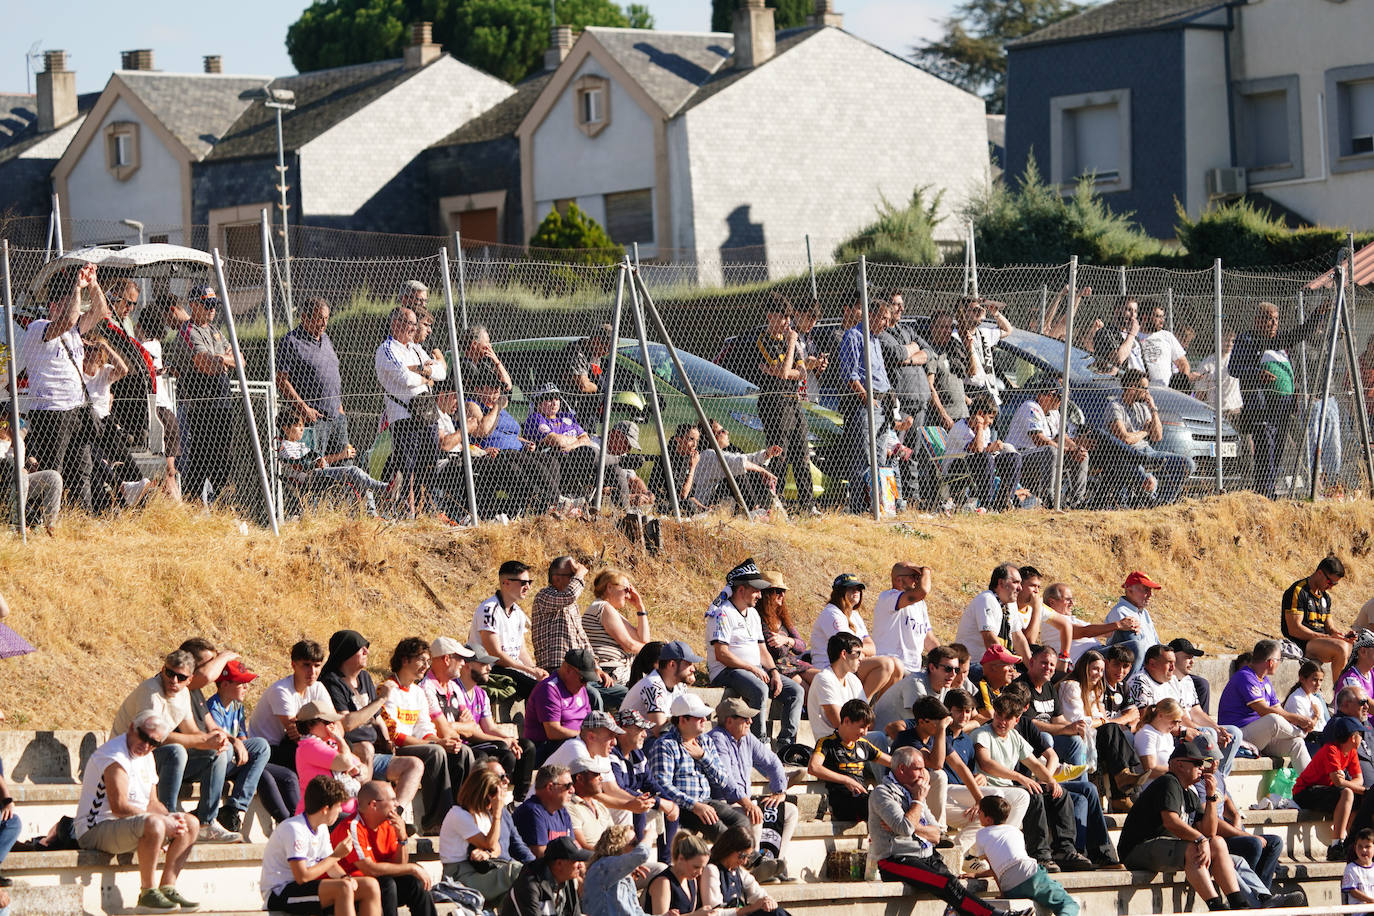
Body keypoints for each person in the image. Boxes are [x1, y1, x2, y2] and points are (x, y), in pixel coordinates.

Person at [868, 746, 1026, 916]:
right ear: (901, 769)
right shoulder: (883, 793)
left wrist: (914, 824)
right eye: (919, 769)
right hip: (896, 861)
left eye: (924, 769)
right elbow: (905, 828)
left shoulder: (914, 791)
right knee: (946, 883)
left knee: (953, 883)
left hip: (926, 855)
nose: (923, 774)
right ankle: (996, 915)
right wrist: (918, 801)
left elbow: (936, 834)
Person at [75, 711, 202, 913]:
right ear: (133, 727)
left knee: (190, 823)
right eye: (144, 737)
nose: (146, 746)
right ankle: (148, 894)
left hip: (128, 825)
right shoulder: (114, 756)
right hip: (95, 828)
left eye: (154, 743)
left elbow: (152, 802)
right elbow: (118, 806)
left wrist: (171, 817)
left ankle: (167, 887)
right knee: (154, 824)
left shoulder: (147, 756)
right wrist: (159, 821)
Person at [109, 649, 240, 843]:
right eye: (169, 673)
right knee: (175, 751)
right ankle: (168, 818)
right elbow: (154, 737)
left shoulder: (184, 693)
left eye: (181, 677)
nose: (174, 681)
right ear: (163, 670)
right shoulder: (151, 691)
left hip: (154, 756)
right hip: (131, 756)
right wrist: (203, 741)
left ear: (190, 679)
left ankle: (206, 822)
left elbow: (191, 729)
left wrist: (214, 741)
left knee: (217, 753)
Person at [1115, 745, 1251, 911]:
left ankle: (1238, 902)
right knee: (1194, 849)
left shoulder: (1190, 794)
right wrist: (1200, 839)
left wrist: (1211, 798)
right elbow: (1170, 821)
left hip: (1165, 848)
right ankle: (1216, 906)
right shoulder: (1168, 782)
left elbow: (1209, 832)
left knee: (1218, 842)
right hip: (1137, 849)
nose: (1202, 768)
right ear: (1179, 764)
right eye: (1197, 763)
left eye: (1203, 764)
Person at [20, 262, 109, 512]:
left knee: (83, 469)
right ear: (53, 306)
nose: (77, 310)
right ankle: (46, 520)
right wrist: (77, 288)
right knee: (53, 471)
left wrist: (92, 283)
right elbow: (69, 317)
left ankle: (82, 516)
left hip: (76, 409)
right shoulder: (38, 328)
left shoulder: (75, 331)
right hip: (51, 412)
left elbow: (101, 310)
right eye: (68, 302)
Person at [971, 692, 1089, 872]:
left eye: (1008, 718)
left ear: (1017, 720)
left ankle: (1064, 850)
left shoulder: (1015, 737)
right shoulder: (982, 733)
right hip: (993, 789)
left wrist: (1051, 781)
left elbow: (1034, 763)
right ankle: (1040, 855)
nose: (1001, 722)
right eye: (998, 716)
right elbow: (986, 763)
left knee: (1060, 794)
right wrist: (1019, 777)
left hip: (1011, 788)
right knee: (1033, 796)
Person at [318, 630, 424, 814]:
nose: (367, 652)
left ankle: (393, 814)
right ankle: (364, 815)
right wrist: (381, 700)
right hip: (349, 752)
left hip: (374, 753)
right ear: (347, 653)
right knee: (366, 748)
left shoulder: (365, 678)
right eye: (361, 649)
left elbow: (375, 717)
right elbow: (347, 723)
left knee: (414, 765)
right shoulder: (331, 682)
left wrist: (387, 739)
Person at [1232, 299, 1329, 499]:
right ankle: (1265, 494)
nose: (1274, 323)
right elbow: (1234, 368)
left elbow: (1298, 334)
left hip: (1283, 407)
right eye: (1269, 319)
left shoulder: (1278, 342)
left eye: (1276, 319)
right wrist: (1257, 373)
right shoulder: (1248, 340)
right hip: (1262, 407)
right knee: (1266, 450)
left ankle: (1269, 491)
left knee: (1277, 450)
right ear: (1258, 320)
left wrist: (1318, 315)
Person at [705, 559, 804, 748]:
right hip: (726, 671)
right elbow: (722, 654)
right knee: (760, 689)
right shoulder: (723, 613)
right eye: (756, 589)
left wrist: (774, 672)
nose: (760, 595)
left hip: (753, 670)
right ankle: (759, 743)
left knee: (796, 691)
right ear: (741, 590)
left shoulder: (753, 614)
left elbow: (762, 649)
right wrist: (751, 668)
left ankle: (786, 744)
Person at [380, 637, 471, 833]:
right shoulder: (387, 688)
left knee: (462, 752)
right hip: (397, 748)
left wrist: (440, 740)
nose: (426, 666)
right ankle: (437, 821)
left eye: (428, 661)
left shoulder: (417, 692)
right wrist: (437, 745)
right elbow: (393, 734)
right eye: (422, 660)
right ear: (405, 660)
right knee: (436, 753)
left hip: (419, 744)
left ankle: (463, 814)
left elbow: (424, 726)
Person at [703, 697, 797, 880]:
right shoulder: (716, 739)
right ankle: (754, 870)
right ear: (729, 721)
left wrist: (779, 792)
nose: (750, 721)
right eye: (745, 718)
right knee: (753, 815)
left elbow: (772, 761)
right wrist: (747, 803)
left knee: (790, 811)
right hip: (723, 805)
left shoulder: (747, 738)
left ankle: (776, 864)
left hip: (744, 801)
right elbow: (726, 781)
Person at [260, 774, 381, 916]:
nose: (341, 811)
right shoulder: (294, 829)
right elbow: (302, 876)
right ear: (325, 809)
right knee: (343, 888)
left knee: (370, 886)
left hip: (304, 887)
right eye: (337, 806)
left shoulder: (321, 827)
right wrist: (337, 855)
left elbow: (329, 864)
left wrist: (345, 876)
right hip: (279, 893)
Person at [430, 641, 535, 798]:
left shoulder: (481, 694)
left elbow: (488, 727)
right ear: (467, 665)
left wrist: (508, 738)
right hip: (466, 743)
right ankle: (490, 798)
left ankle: (519, 800)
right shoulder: (454, 688)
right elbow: (469, 732)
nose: (489, 668)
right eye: (483, 664)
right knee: (503, 751)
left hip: (478, 738)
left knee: (526, 746)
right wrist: (498, 739)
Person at [206, 658, 300, 829]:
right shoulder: (213, 707)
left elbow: (243, 737)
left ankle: (298, 821)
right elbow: (217, 738)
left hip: (240, 759)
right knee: (263, 775)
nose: (246, 688)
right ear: (225, 684)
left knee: (288, 776)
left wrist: (245, 751)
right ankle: (285, 823)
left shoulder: (237, 706)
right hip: (222, 762)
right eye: (241, 683)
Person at [168, 284, 239, 504]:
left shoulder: (215, 331)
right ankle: (193, 504)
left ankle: (221, 506)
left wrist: (220, 360)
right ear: (194, 305)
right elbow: (205, 364)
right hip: (201, 406)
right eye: (207, 304)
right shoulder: (188, 331)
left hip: (222, 403)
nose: (212, 309)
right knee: (201, 458)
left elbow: (239, 359)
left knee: (223, 457)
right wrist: (222, 360)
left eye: (214, 305)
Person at [648, 693, 751, 840]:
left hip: (706, 801)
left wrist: (703, 757)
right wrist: (695, 806)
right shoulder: (665, 745)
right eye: (699, 717)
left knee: (742, 822)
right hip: (683, 807)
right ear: (683, 720)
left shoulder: (705, 741)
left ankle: (747, 860)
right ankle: (753, 861)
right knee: (718, 828)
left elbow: (722, 780)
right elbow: (662, 786)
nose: (704, 720)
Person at [456, 373, 560, 517]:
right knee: (526, 466)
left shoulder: (501, 410)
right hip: (497, 455)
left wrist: (525, 442)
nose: (497, 390)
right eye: (491, 387)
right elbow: (483, 430)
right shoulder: (473, 405)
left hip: (518, 451)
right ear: (478, 389)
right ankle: (553, 502)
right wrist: (497, 407)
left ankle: (548, 505)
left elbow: (512, 434)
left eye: (498, 387)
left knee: (550, 461)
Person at [750, 293, 816, 514]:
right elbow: (788, 371)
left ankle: (808, 506)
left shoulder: (788, 341)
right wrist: (790, 348)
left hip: (793, 401)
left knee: (802, 453)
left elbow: (802, 372)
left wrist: (785, 371)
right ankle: (769, 502)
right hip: (774, 402)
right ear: (770, 316)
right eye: (783, 317)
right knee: (780, 453)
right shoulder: (762, 340)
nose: (788, 322)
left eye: (789, 317)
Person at [331, 780, 436, 916]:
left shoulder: (389, 823)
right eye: (392, 800)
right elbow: (369, 869)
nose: (396, 804)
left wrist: (402, 839)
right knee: (387, 884)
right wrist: (413, 868)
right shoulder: (352, 827)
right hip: (351, 886)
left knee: (415, 883)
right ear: (374, 804)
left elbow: (399, 866)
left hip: (379, 885)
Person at [532, 556, 623, 711]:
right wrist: (580, 574)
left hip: (582, 672)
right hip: (559, 670)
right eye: (571, 576)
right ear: (556, 578)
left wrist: (596, 667)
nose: (575, 579)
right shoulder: (544, 596)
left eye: (575, 576)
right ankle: (593, 733)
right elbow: (569, 595)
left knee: (623, 693)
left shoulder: (571, 605)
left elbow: (582, 638)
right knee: (592, 695)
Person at [1057, 650, 1142, 809]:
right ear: (1084, 667)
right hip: (1073, 736)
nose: (1099, 674)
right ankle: (1124, 790)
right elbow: (1078, 721)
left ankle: (1123, 786)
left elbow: (1099, 720)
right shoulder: (1071, 686)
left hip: (1091, 736)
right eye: (1095, 669)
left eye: (1101, 670)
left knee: (1115, 731)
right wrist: (1105, 720)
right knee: (1111, 729)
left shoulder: (1095, 689)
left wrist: (1102, 720)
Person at [375, 305, 438, 516]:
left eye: (414, 324)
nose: (412, 328)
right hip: (404, 417)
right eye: (408, 323)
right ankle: (405, 511)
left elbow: (440, 373)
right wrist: (424, 375)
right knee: (407, 467)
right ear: (395, 324)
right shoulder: (387, 349)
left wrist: (425, 370)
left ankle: (421, 509)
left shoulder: (416, 349)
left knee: (428, 463)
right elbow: (403, 378)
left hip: (426, 414)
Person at [277, 297, 353, 472]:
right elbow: (281, 380)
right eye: (319, 318)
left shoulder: (326, 340)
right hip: (313, 420)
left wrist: (340, 409)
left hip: (337, 418)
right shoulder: (290, 342)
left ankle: (343, 500)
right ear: (305, 317)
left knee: (345, 467)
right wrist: (304, 409)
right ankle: (313, 500)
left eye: (326, 318)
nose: (323, 323)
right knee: (314, 469)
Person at [1100, 368, 1196, 506]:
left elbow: (1157, 436)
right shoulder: (1115, 407)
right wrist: (1145, 432)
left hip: (1148, 452)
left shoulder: (1143, 408)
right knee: (1149, 482)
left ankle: (1163, 503)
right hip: (1126, 455)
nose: (1147, 392)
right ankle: (1151, 503)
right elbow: (1125, 439)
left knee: (1187, 464)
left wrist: (1153, 409)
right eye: (1144, 388)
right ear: (1132, 387)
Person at [969, 795, 1079, 916]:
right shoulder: (1016, 831)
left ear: (988, 819)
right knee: (1068, 904)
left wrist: (1002, 893)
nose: (977, 814)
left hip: (1011, 887)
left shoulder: (981, 835)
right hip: (1031, 876)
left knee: (1052, 888)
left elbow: (996, 868)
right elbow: (1012, 863)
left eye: (980, 812)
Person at [1218, 639, 1312, 771]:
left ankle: (1311, 786)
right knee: (1273, 720)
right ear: (1271, 662)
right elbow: (1263, 710)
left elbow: (1277, 708)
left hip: (1260, 736)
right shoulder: (1245, 676)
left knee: (1297, 744)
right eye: (1279, 660)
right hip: (1239, 735)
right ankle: (1302, 733)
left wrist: (1297, 720)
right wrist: (1299, 723)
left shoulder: (1264, 680)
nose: (1280, 663)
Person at [810, 573, 903, 702]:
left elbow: (872, 648)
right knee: (885, 664)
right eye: (851, 588)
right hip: (831, 666)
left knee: (898, 666)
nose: (856, 592)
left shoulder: (854, 615)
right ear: (840, 592)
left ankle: (880, 710)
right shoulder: (832, 613)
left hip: (851, 662)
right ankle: (860, 705)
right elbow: (846, 648)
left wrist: (859, 651)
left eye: (858, 589)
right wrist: (861, 651)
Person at [278, 408, 392, 508]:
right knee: (354, 471)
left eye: (302, 426)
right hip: (309, 478)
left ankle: (372, 512)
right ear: (286, 428)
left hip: (319, 472)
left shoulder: (301, 445)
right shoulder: (285, 446)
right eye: (298, 426)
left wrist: (320, 461)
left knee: (359, 479)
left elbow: (319, 459)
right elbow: (295, 465)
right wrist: (314, 463)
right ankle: (384, 489)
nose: (302, 430)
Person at [440, 766, 524, 902]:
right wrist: (497, 814)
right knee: (516, 871)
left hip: (480, 870)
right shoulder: (458, 814)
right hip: (459, 877)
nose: (495, 801)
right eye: (493, 795)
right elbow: (488, 843)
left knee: (511, 896)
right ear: (481, 794)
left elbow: (496, 847)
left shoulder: (483, 815)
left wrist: (487, 854)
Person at [1003, 377, 1088, 508]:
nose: (1060, 402)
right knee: (1051, 450)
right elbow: (1039, 440)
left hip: (1046, 456)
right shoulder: (1030, 407)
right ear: (1047, 396)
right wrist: (1066, 450)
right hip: (1020, 456)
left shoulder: (1054, 413)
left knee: (1083, 455)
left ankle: (1077, 501)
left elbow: (1063, 438)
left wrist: (1076, 449)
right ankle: (1049, 498)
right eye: (1058, 397)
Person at [248, 639, 333, 767]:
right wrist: (325, 734)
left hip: (290, 742)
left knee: (341, 746)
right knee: (313, 756)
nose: (312, 671)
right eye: (306, 665)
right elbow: (295, 733)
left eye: (317, 666)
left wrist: (330, 734)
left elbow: (335, 723)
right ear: (293, 665)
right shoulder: (281, 690)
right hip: (267, 748)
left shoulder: (318, 687)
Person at [1293, 715, 1366, 861]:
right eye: (1360, 735)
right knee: (1348, 793)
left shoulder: (1351, 752)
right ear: (1353, 737)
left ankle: (1351, 841)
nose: (1362, 739)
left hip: (1327, 791)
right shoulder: (1331, 749)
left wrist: (1348, 783)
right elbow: (1338, 782)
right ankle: (1336, 845)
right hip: (1305, 792)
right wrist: (1359, 788)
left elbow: (1359, 779)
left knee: (1359, 799)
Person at [470, 561, 545, 700]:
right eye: (523, 582)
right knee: (540, 692)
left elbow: (521, 651)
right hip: (491, 668)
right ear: (506, 583)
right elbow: (495, 655)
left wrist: (534, 669)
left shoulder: (518, 613)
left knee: (548, 687)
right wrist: (528, 671)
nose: (527, 587)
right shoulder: (489, 610)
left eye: (530, 582)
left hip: (512, 667)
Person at [809, 698, 890, 823]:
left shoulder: (863, 744)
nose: (865, 733)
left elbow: (892, 762)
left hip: (863, 799)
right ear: (846, 721)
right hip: (842, 802)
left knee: (891, 801)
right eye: (862, 727)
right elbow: (813, 767)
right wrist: (846, 780)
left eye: (868, 728)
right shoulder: (827, 743)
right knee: (878, 804)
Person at [946, 392, 1026, 512]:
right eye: (991, 417)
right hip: (956, 465)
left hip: (978, 462)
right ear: (980, 414)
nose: (992, 422)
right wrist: (979, 426)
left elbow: (983, 449)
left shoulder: (986, 429)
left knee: (1014, 458)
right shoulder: (960, 427)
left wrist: (993, 446)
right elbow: (977, 449)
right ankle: (985, 504)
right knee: (986, 458)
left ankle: (1004, 501)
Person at [1282, 555, 1350, 685]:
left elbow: (1330, 627)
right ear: (1319, 573)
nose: (1331, 587)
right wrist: (1326, 637)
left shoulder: (1325, 597)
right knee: (1341, 648)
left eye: (1334, 584)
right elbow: (1294, 629)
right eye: (1330, 582)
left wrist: (1342, 636)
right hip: (1302, 642)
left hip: (1319, 641)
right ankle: (1340, 695)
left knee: (1355, 647)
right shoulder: (1298, 590)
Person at [522, 386, 597, 499]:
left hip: (575, 456)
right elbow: (556, 440)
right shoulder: (536, 418)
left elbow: (586, 439)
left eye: (556, 398)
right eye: (549, 398)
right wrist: (577, 440)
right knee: (586, 453)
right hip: (555, 459)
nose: (554, 402)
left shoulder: (566, 417)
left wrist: (572, 445)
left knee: (611, 466)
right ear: (538, 403)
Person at [699, 827, 793, 916]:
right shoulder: (712, 870)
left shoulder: (739, 872)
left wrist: (768, 901)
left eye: (747, 857)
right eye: (742, 856)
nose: (744, 861)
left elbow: (759, 894)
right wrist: (751, 908)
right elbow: (714, 912)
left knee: (777, 912)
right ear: (728, 849)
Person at [524, 650, 596, 764]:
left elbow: (589, 720)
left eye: (588, 680)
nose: (585, 684)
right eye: (583, 678)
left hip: (577, 742)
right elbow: (553, 732)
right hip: (548, 748)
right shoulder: (549, 689)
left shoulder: (580, 688)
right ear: (568, 669)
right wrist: (583, 736)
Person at [583, 568, 650, 689]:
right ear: (609, 588)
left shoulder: (610, 610)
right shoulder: (603, 607)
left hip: (617, 673)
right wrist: (657, 650)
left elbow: (642, 639)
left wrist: (640, 607)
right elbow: (629, 646)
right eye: (626, 589)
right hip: (609, 673)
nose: (628, 595)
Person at [622, 640, 701, 736]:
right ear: (672, 664)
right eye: (688, 664)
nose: (693, 669)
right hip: (640, 744)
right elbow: (660, 731)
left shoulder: (680, 686)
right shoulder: (652, 686)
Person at [757, 572, 818, 688]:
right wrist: (788, 643)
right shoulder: (759, 618)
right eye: (778, 592)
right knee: (806, 691)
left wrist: (786, 640)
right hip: (776, 666)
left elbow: (802, 646)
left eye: (784, 592)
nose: (782, 595)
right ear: (767, 594)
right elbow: (776, 650)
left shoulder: (782, 617)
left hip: (792, 663)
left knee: (823, 679)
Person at [501, 834, 588, 916]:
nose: (581, 866)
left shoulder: (568, 880)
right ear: (559, 864)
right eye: (576, 861)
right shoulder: (529, 885)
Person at [581, 825, 656, 916]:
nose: (637, 847)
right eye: (634, 843)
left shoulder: (623, 876)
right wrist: (650, 836)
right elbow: (641, 854)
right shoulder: (602, 867)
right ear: (618, 846)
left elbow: (636, 912)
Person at [955, 564, 1026, 659]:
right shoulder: (986, 599)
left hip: (997, 664)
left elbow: (1018, 638)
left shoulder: (1011, 604)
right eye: (1015, 582)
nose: (1020, 588)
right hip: (973, 664)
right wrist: (1008, 667)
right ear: (1001, 583)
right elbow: (990, 640)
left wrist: (1032, 668)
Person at [809, 633, 869, 742]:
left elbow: (867, 719)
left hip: (854, 738)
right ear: (844, 654)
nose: (861, 658)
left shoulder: (853, 680)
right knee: (880, 738)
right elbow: (839, 723)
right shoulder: (824, 679)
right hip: (832, 743)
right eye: (858, 653)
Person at [1105, 570, 1164, 678]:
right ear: (1129, 589)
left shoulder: (1144, 613)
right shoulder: (1121, 611)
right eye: (1146, 590)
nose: (1150, 595)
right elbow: (1137, 647)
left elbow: (1156, 642)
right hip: (1132, 670)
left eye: (1150, 590)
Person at [959, 297, 1013, 404]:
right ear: (963, 313)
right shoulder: (956, 336)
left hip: (989, 391)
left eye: (980, 310)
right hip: (970, 390)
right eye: (975, 310)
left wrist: (995, 313)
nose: (979, 313)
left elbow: (1008, 330)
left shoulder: (983, 333)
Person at [513, 764, 574, 857]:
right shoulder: (532, 812)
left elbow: (573, 846)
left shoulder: (562, 811)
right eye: (568, 786)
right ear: (550, 787)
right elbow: (541, 855)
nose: (572, 790)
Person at [646, 831, 712, 916]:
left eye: (703, 868)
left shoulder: (692, 880)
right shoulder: (663, 882)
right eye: (696, 867)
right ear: (681, 859)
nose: (700, 872)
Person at [566, 757, 616, 850]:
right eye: (596, 774)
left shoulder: (600, 806)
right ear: (580, 778)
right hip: (592, 862)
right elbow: (581, 846)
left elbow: (615, 838)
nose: (601, 778)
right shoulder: (570, 807)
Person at [1134, 699, 1184, 788]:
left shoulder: (1167, 735)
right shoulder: (1146, 734)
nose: (1176, 726)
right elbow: (1150, 770)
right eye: (1174, 721)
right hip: (1153, 789)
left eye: (1178, 722)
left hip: (1170, 785)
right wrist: (1181, 771)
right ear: (1160, 715)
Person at [1138, 303, 1190, 386]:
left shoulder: (1167, 336)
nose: (1162, 320)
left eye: (1163, 317)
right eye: (1158, 317)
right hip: (1144, 390)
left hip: (1166, 391)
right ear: (1145, 317)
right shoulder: (1134, 336)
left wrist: (1182, 384)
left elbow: (1182, 363)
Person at [1092, 297, 1144, 375]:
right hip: (1124, 381)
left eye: (1135, 311)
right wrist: (1132, 334)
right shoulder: (1106, 332)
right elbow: (1118, 359)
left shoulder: (1134, 337)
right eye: (1129, 310)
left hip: (1141, 379)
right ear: (1117, 311)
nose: (1133, 315)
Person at [972, 645, 1023, 723]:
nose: (1012, 670)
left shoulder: (1004, 687)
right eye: (1008, 665)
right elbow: (990, 717)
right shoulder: (981, 687)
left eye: (1013, 666)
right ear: (993, 668)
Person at [457, 324, 512, 393]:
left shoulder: (485, 364)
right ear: (474, 344)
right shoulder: (463, 365)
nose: (490, 345)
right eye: (487, 342)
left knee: (504, 399)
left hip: (488, 402)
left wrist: (496, 361)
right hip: (475, 402)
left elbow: (508, 386)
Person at [1285, 659, 1331, 737]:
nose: (1318, 684)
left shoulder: (1316, 699)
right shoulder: (1296, 699)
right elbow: (1305, 730)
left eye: (1321, 680)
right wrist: (1316, 715)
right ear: (1302, 679)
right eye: (1314, 680)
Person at [1344, 827, 1374, 910]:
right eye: (1360, 847)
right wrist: (1371, 901)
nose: (1363, 850)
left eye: (1367, 846)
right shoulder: (1351, 868)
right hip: (1361, 911)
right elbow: (1353, 891)